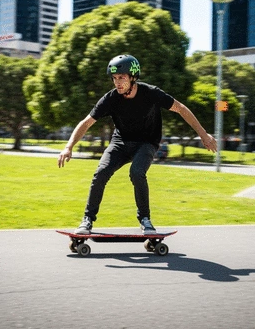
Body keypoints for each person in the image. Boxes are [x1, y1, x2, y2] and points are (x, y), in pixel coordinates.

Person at [58, 54, 217, 234]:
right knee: (100, 173)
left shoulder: (151, 93)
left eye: (122, 78)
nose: (117, 83)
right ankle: (87, 220)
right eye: (115, 78)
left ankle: (145, 220)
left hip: (146, 142)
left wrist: (203, 135)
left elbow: (180, 109)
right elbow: (86, 122)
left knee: (137, 173)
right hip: (120, 142)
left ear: (133, 77)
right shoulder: (110, 98)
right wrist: (68, 146)